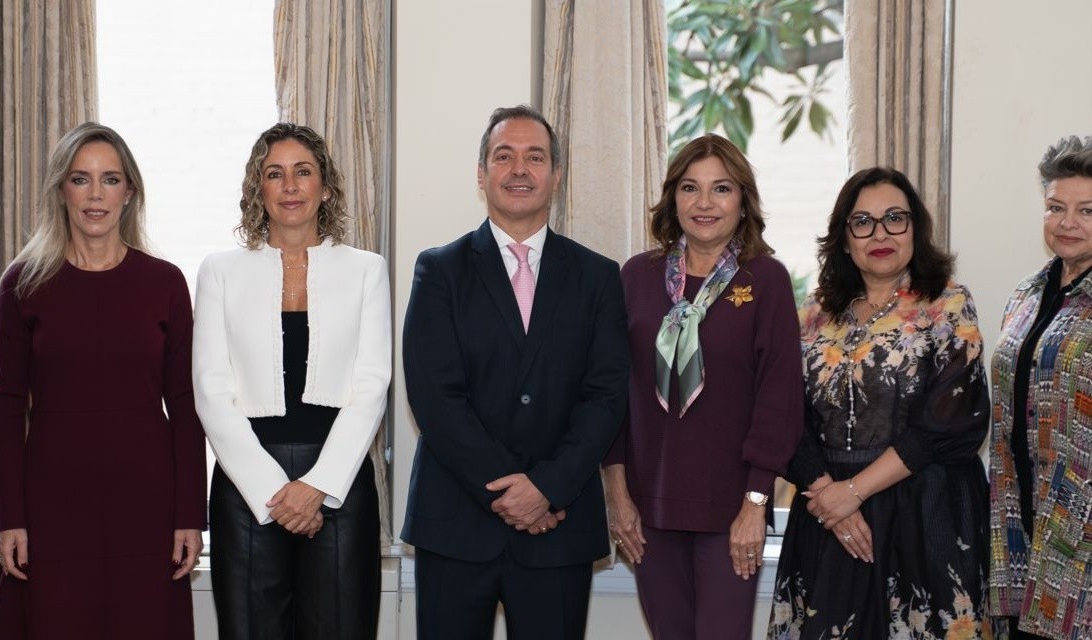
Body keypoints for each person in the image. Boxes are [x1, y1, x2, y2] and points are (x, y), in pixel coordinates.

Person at [401, 104, 629, 639]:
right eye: (504, 156)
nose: (519, 169)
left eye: (535, 157)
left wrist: (547, 487)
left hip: (559, 527)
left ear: (556, 175)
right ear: (481, 174)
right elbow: (435, 398)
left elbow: (606, 397)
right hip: (456, 524)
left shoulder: (598, 277)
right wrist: (514, 494)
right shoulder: (439, 270)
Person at [0, 122, 206, 639]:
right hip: (51, 503)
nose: (96, 194)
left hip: (147, 502)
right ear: (61, 190)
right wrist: (11, 517)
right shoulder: (23, 282)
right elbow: (5, 403)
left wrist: (190, 515)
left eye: (110, 179)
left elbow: (186, 404)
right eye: (80, 179)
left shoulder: (165, 282)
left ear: (130, 192)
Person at [768, 167, 992, 638]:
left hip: (924, 515)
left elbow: (952, 422)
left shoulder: (947, 305)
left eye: (894, 218)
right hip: (828, 518)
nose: (880, 234)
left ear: (915, 228)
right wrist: (832, 496)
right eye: (863, 222)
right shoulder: (812, 314)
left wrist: (854, 492)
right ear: (844, 238)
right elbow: (783, 415)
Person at [600, 133, 803, 639]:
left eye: (722, 188)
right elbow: (612, 392)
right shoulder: (636, 277)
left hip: (732, 510)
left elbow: (779, 400)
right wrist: (617, 496)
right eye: (690, 187)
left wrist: (756, 504)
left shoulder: (766, 279)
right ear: (673, 199)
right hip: (649, 509)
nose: (704, 203)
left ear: (743, 201)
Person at [192, 122, 390, 639]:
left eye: (303, 172)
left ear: (325, 185)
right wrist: (273, 490)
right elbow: (210, 391)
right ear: (258, 188)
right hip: (246, 488)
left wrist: (317, 486)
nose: (290, 186)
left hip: (339, 486)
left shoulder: (367, 270)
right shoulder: (219, 271)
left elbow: (372, 385)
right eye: (274, 174)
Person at [988, 135, 1092, 640]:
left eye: (1087, 210)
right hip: (1021, 528)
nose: (1067, 222)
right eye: (1055, 207)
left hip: (1081, 542)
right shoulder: (1027, 293)